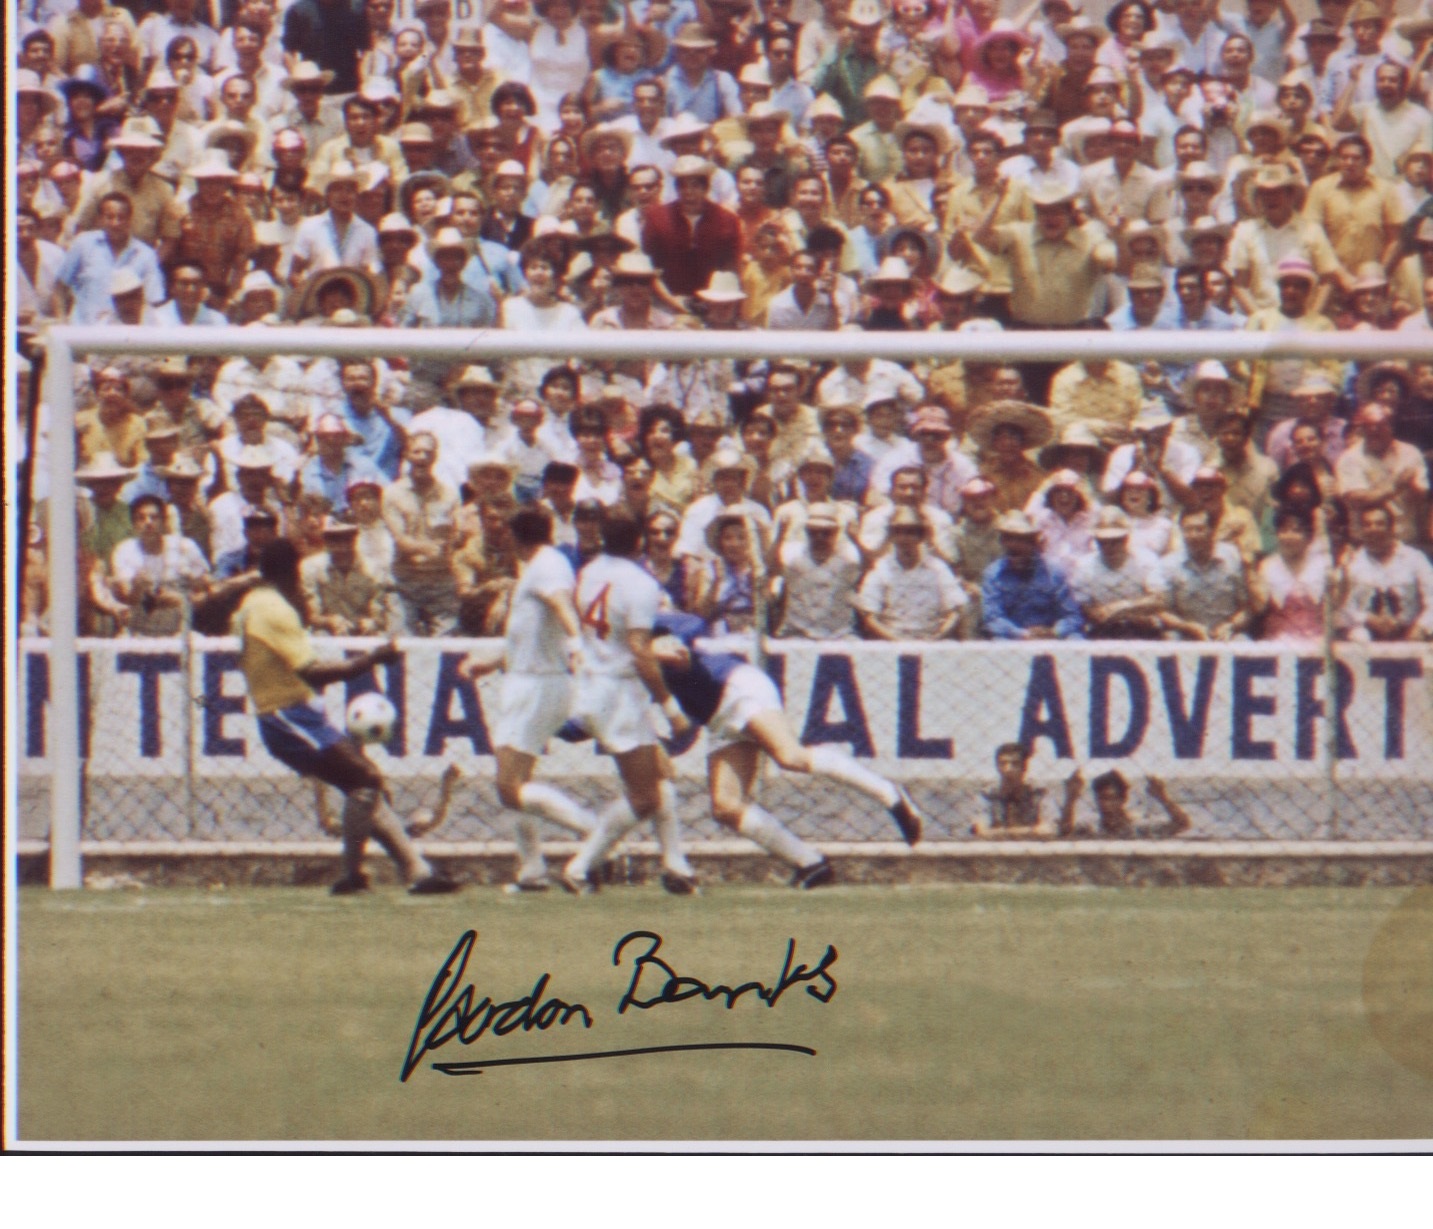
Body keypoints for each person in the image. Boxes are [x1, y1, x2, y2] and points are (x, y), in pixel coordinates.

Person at [234, 538, 458, 895]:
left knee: (365, 786)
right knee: (366, 780)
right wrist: (370, 661)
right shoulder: (274, 610)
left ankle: (417, 871)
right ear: (291, 570)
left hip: (292, 714)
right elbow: (312, 671)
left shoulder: (251, 604)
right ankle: (352, 875)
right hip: (287, 717)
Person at [638, 609, 924, 889]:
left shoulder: (640, 624)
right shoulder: (613, 661)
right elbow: (680, 723)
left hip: (735, 687)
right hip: (716, 717)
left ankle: (890, 794)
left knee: (790, 756)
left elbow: (691, 625)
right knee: (726, 806)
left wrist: (665, 644)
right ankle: (810, 864)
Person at [455, 504, 608, 892]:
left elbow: (561, 603)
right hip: (529, 680)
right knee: (516, 782)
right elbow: (531, 633)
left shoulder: (547, 565)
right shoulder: (539, 565)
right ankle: (532, 869)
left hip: (537, 686)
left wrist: (576, 643)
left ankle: (597, 833)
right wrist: (492, 662)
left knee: (508, 786)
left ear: (512, 535)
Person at [558, 509, 694, 894]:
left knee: (659, 775)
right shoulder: (640, 583)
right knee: (646, 796)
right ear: (640, 542)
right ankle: (581, 866)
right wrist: (669, 705)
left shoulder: (588, 571)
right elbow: (638, 650)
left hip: (592, 682)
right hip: (617, 695)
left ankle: (676, 866)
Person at [1057, 770, 1193, 838]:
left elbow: (1182, 824)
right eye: (1102, 799)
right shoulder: (1092, 825)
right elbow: (1064, 831)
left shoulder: (1139, 826)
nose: (1106, 805)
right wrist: (1071, 798)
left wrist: (1162, 797)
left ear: (1123, 799)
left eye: (1111, 799)